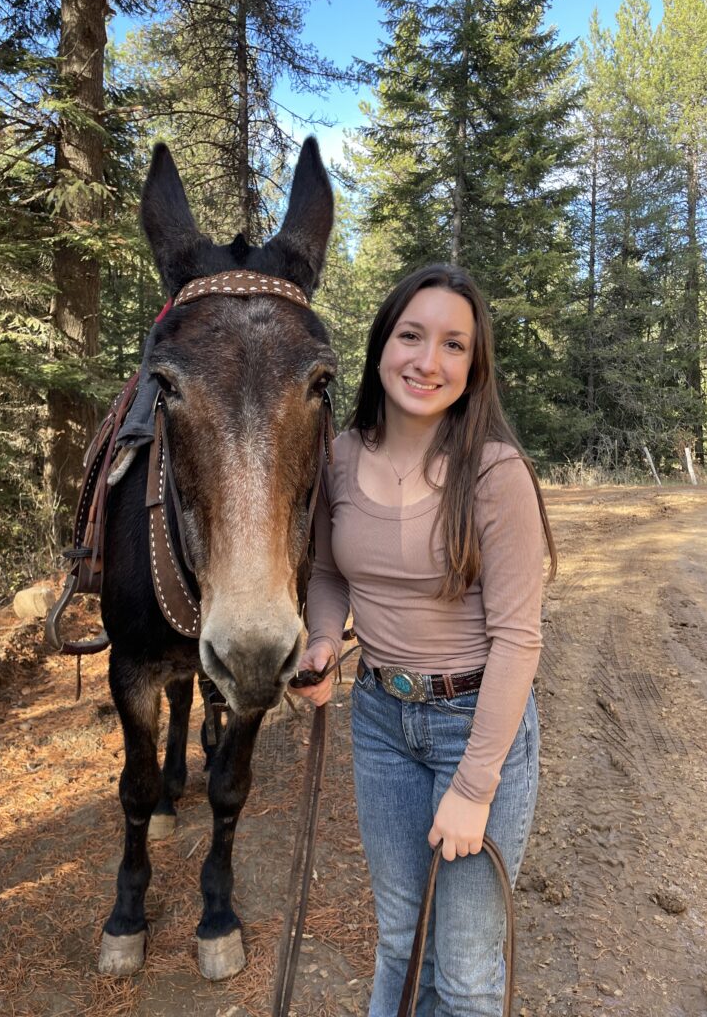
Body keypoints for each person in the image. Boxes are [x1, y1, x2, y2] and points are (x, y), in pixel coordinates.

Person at [294, 264, 556, 1017]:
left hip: (476, 727)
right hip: (380, 721)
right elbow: (325, 571)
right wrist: (321, 642)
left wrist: (475, 788)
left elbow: (518, 640)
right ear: (383, 345)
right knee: (403, 942)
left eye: (453, 345)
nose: (428, 361)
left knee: (469, 969)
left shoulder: (495, 473)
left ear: (474, 368)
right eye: (412, 335)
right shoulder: (338, 457)